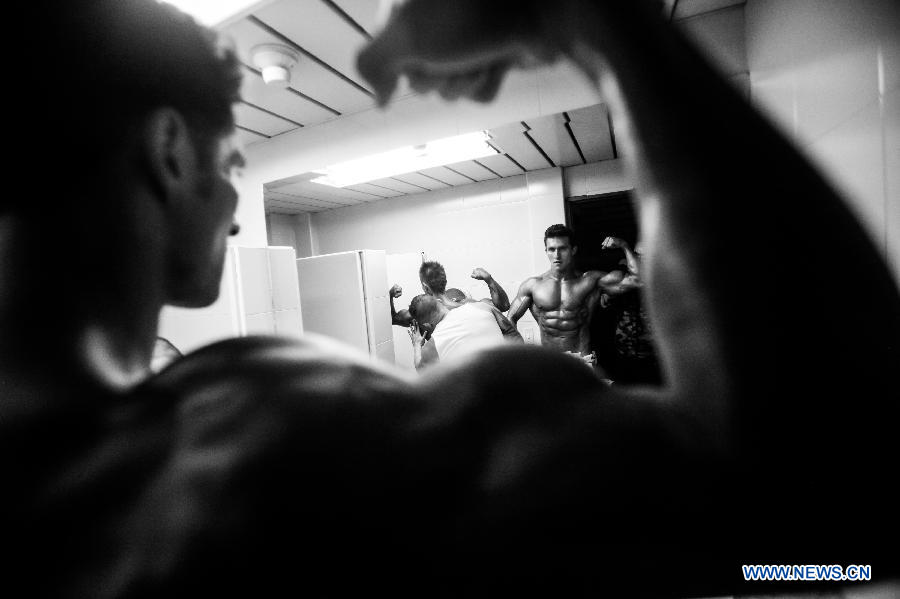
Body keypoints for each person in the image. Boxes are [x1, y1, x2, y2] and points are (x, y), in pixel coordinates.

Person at [4, 1, 897, 599]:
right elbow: (820, 526)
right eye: (236, 167)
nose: (237, 213)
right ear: (168, 152)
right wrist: (597, 20)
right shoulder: (241, 431)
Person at [507, 224, 632, 363]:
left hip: (583, 359)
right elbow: (511, 318)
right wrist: (518, 356)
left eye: (562, 248)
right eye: (551, 249)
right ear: (546, 251)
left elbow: (636, 280)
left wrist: (624, 245)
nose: (557, 255)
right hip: (550, 361)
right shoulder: (533, 285)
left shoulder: (590, 281)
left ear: (573, 250)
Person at [599, 236, 661, 384]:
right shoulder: (623, 276)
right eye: (638, 255)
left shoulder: (661, 278)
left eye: (646, 256)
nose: (642, 260)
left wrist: (624, 245)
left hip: (655, 355)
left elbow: (641, 277)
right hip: (626, 354)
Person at [407, 293, 509, 368]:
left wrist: (417, 345)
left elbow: (421, 371)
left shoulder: (433, 344)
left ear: (426, 324)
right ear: (439, 302)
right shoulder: (482, 307)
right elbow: (511, 332)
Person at [420, 260, 511, 311]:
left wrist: (417, 344)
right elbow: (504, 306)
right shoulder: (473, 305)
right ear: (445, 281)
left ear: (426, 287)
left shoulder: (430, 317)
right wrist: (489, 280)